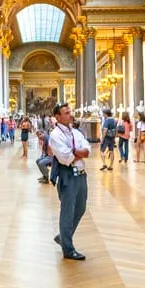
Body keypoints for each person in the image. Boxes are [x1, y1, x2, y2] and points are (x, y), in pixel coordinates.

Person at [49, 103, 89, 261]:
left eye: (70, 112)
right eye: (66, 113)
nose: (70, 115)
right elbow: (65, 157)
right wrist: (78, 153)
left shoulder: (76, 132)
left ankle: (63, 236)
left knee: (80, 208)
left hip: (81, 174)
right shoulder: (55, 135)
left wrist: (78, 152)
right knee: (67, 212)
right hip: (68, 176)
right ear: (57, 117)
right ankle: (68, 248)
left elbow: (87, 149)